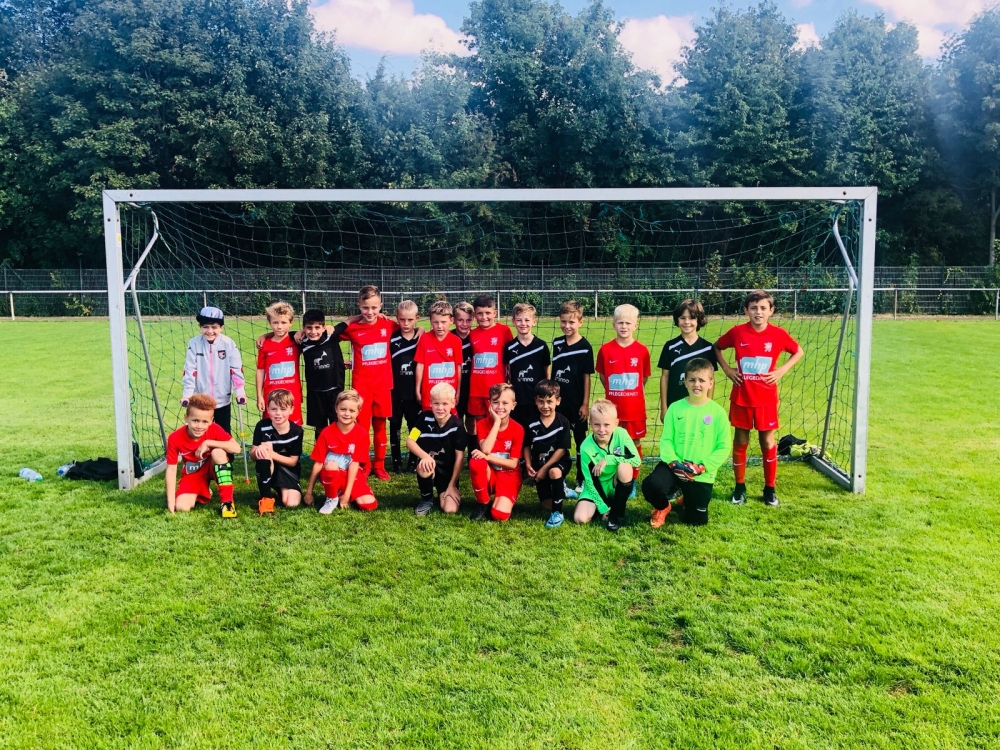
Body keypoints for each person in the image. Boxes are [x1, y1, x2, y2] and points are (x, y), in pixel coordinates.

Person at [714, 289, 804, 507]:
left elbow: (798, 351)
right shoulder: (737, 332)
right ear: (746, 310)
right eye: (753, 308)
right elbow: (716, 347)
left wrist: (781, 370)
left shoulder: (778, 334)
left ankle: (769, 489)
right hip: (742, 397)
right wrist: (727, 369)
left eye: (763, 308)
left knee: (767, 442)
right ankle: (740, 487)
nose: (758, 312)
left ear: (771, 311)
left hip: (766, 399)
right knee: (740, 441)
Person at [642, 358, 731, 527]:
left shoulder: (718, 413)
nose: (696, 384)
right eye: (692, 380)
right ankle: (663, 506)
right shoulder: (675, 408)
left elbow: (724, 446)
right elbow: (666, 439)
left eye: (702, 380)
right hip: (674, 466)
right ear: (685, 382)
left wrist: (702, 467)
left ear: (711, 383)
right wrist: (673, 462)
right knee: (650, 485)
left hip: (701, 472)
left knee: (696, 521)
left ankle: (687, 498)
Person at [339, 286, 398, 481]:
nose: (370, 312)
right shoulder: (353, 328)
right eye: (365, 308)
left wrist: (421, 329)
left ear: (381, 306)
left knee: (380, 427)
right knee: (362, 429)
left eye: (374, 307)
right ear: (359, 306)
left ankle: (379, 465)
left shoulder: (388, 325)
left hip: (383, 387)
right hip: (361, 389)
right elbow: (329, 337)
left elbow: (408, 325)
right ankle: (364, 464)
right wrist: (352, 319)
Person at [595, 303, 650, 485]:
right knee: (613, 443)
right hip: (613, 411)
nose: (624, 326)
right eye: (620, 323)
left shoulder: (642, 350)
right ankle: (615, 477)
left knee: (634, 443)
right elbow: (603, 376)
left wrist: (630, 392)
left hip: (635, 409)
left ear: (636, 325)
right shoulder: (605, 350)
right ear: (613, 324)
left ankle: (631, 480)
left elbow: (643, 379)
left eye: (628, 323)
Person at [165, 393, 241, 516]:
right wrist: (170, 500)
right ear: (186, 418)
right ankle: (204, 489)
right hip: (193, 473)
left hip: (213, 467)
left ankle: (227, 503)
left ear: (211, 421)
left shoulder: (214, 429)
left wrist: (208, 442)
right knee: (181, 507)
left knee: (218, 452)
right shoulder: (174, 438)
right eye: (195, 420)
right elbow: (171, 469)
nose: (200, 426)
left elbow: (236, 448)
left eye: (205, 422)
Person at [572, 399, 641, 533]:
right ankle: (605, 505)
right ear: (591, 423)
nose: (602, 430)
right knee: (580, 518)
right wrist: (603, 508)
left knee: (624, 467)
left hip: (615, 483)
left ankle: (617, 513)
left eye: (607, 424)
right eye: (597, 424)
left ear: (616, 423)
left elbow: (636, 460)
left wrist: (608, 459)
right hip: (596, 485)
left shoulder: (621, 434)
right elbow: (590, 481)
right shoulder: (585, 447)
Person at [304, 390, 378, 514]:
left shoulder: (361, 434)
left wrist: (347, 494)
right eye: (343, 409)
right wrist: (309, 492)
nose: (347, 414)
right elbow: (318, 463)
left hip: (352, 474)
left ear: (358, 412)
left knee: (369, 505)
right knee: (331, 465)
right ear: (336, 409)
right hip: (331, 472)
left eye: (352, 411)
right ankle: (332, 498)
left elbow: (354, 464)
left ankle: (343, 492)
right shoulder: (326, 433)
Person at [180, 306, 247, 435]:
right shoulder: (194, 344)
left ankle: (226, 449)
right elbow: (190, 370)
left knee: (223, 432)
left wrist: (240, 392)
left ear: (221, 327)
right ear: (199, 326)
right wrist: (187, 394)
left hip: (222, 399)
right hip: (200, 400)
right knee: (200, 431)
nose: (210, 331)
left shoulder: (228, 344)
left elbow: (236, 370)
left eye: (214, 327)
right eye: (205, 327)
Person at [551, 299, 594, 496]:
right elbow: (554, 372)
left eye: (571, 322)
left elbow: (586, 377)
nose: (567, 326)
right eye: (563, 321)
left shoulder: (585, 347)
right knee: (559, 440)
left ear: (580, 322)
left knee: (580, 441)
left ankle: (581, 477)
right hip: (559, 402)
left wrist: (585, 403)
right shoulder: (557, 343)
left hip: (576, 403)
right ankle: (557, 474)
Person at [406, 383, 467, 516]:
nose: (440, 408)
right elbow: (410, 441)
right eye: (436, 403)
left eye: (445, 404)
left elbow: (460, 458)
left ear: (453, 403)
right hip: (429, 466)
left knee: (450, 509)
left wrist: (452, 485)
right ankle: (426, 499)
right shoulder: (424, 418)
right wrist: (426, 457)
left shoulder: (457, 426)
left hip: (447, 474)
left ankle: (445, 491)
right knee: (424, 465)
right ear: (430, 403)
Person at [468, 382, 524, 522]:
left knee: (499, 515)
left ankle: (501, 500)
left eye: (505, 403)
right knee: (476, 462)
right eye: (495, 402)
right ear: (489, 404)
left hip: (509, 476)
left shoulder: (518, 429)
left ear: (513, 405)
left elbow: (512, 464)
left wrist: (488, 458)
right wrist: (497, 423)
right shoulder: (481, 424)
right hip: (490, 473)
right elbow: (485, 449)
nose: (500, 407)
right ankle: (483, 502)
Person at [523, 380, 573, 529]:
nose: (545, 406)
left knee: (554, 472)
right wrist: (528, 464)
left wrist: (544, 470)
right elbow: (526, 445)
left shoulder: (563, 422)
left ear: (558, 401)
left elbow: (562, 449)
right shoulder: (531, 422)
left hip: (559, 462)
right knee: (546, 504)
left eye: (549, 401)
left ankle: (558, 513)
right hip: (539, 464)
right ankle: (560, 490)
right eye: (541, 401)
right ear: (535, 401)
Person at [658, 298, 717, 422]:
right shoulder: (670, 346)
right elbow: (665, 377)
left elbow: (711, 380)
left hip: (700, 407)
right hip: (675, 406)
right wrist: (664, 408)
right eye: (682, 318)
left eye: (691, 318)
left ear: (699, 320)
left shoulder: (707, 348)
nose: (687, 322)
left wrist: (709, 405)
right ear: (677, 319)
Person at [467, 294, 513, 444]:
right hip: (476, 388)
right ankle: (479, 450)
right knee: (480, 423)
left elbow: (509, 360)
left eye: (488, 313)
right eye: (479, 313)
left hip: (496, 387)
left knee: (497, 420)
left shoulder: (504, 331)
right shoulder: (472, 334)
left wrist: (509, 382)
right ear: (475, 315)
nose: (484, 317)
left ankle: (497, 450)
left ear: (495, 312)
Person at [251, 388, 304, 514]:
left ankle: (281, 489)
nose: (278, 413)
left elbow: (293, 461)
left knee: (291, 503)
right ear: (268, 409)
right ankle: (266, 498)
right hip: (268, 466)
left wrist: (272, 453)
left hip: (288, 469)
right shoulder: (261, 426)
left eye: (283, 409)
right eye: (274, 409)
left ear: (291, 409)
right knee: (263, 454)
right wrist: (259, 450)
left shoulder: (297, 431)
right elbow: (252, 456)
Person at [299, 309, 347, 435]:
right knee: (320, 429)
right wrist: (264, 336)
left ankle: (337, 448)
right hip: (315, 394)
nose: (313, 331)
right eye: (309, 328)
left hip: (335, 391)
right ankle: (320, 448)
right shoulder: (301, 341)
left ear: (323, 327)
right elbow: (280, 333)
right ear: (303, 328)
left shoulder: (331, 335)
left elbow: (349, 321)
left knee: (337, 426)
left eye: (317, 327)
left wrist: (378, 315)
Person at [256, 300, 303, 425]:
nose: (279, 327)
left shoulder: (296, 341)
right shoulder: (264, 345)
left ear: (291, 323)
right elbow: (260, 370)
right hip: (271, 397)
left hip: (293, 396)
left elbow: (314, 335)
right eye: (275, 322)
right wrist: (259, 396)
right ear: (270, 323)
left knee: (294, 430)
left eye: (283, 322)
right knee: (270, 429)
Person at [504, 302, 550, 428]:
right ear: (513, 321)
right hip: (518, 398)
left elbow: (547, 371)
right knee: (518, 430)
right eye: (519, 320)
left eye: (527, 320)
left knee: (536, 429)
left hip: (537, 398)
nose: (523, 323)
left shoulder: (541, 346)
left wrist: (545, 392)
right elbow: (508, 372)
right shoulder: (509, 347)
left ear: (534, 321)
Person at [389, 300, 422, 474]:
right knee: (394, 426)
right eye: (402, 319)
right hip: (394, 392)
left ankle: (413, 460)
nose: (406, 323)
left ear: (417, 318)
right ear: (397, 318)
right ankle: (396, 462)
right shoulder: (391, 338)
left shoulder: (422, 338)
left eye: (410, 320)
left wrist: (421, 330)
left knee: (414, 428)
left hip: (414, 394)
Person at [414, 299, 464, 411]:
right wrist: (417, 389)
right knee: (428, 420)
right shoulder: (425, 339)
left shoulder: (456, 341)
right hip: (429, 393)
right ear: (430, 321)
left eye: (443, 322)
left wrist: (458, 391)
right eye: (436, 322)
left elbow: (458, 367)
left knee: (448, 420)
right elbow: (420, 365)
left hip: (449, 394)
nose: (439, 326)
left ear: (451, 320)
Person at [452, 301, 475, 435]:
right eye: (460, 320)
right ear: (453, 320)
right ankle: (458, 445)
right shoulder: (448, 337)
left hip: (473, 387)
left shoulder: (476, 337)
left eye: (468, 320)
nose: (464, 324)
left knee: (472, 421)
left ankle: (472, 446)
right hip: (454, 387)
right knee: (457, 421)